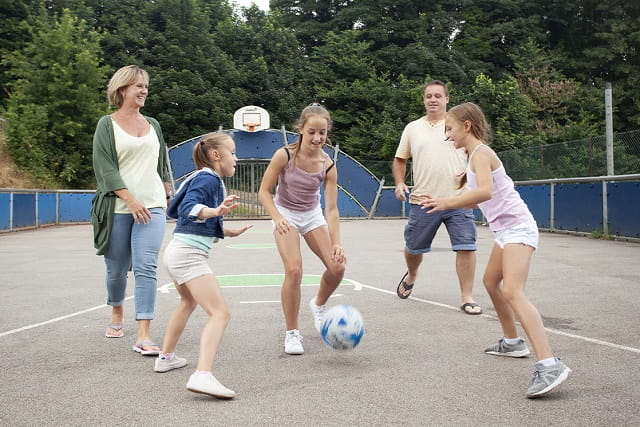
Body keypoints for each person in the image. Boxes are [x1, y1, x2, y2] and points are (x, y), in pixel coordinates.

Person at [422, 102, 572, 398]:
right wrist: (442, 198)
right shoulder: (471, 157)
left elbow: (486, 192)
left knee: (513, 291)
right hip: (505, 231)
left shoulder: (482, 154)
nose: (448, 135)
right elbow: (478, 196)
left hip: (518, 228)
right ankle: (513, 341)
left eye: (450, 129)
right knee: (491, 282)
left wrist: (447, 203)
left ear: (466, 126)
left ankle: (550, 364)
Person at [156, 133, 251, 399]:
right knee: (220, 313)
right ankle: (202, 375)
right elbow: (188, 207)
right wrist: (216, 211)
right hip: (188, 255)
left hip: (177, 252)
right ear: (216, 155)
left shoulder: (201, 177)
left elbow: (178, 212)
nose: (237, 158)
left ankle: (165, 357)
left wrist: (229, 230)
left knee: (187, 302)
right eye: (233, 152)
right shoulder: (209, 178)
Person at [91, 65, 172, 355]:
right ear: (122, 89)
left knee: (146, 267)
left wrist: (166, 191)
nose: (144, 90)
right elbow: (105, 168)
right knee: (116, 269)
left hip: (152, 206)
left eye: (146, 86)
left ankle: (144, 334)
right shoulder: (106, 124)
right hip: (118, 208)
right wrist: (130, 199)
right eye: (138, 85)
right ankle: (116, 312)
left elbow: (162, 161)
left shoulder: (153, 124)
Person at [258, 103, 347, 355]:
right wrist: (277, 217)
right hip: (284, 212)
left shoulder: (328, 165)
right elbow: (263, 192)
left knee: (338, 266)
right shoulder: (284, 155)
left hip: (311, 214)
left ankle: (318, 305)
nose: (318, 138)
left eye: (322, 132)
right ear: (301, 130)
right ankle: (292, 333)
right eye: (312, 132)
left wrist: (337, 242)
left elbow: (331, 209)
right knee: (294, 269)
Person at [393, 80, 481, 315]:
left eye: (437, 96)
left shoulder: (460, 125)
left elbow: (477, 152)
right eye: (428, 96)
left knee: (466, 246)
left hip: (459, 199)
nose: (433, 99)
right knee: (413, 248)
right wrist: (400, 182)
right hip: (424, 200)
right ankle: (412, 274)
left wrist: (470, 171)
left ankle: (467, 297)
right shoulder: (413, 128)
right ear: (424, 99)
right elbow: (400, 159)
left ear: (447, 99)